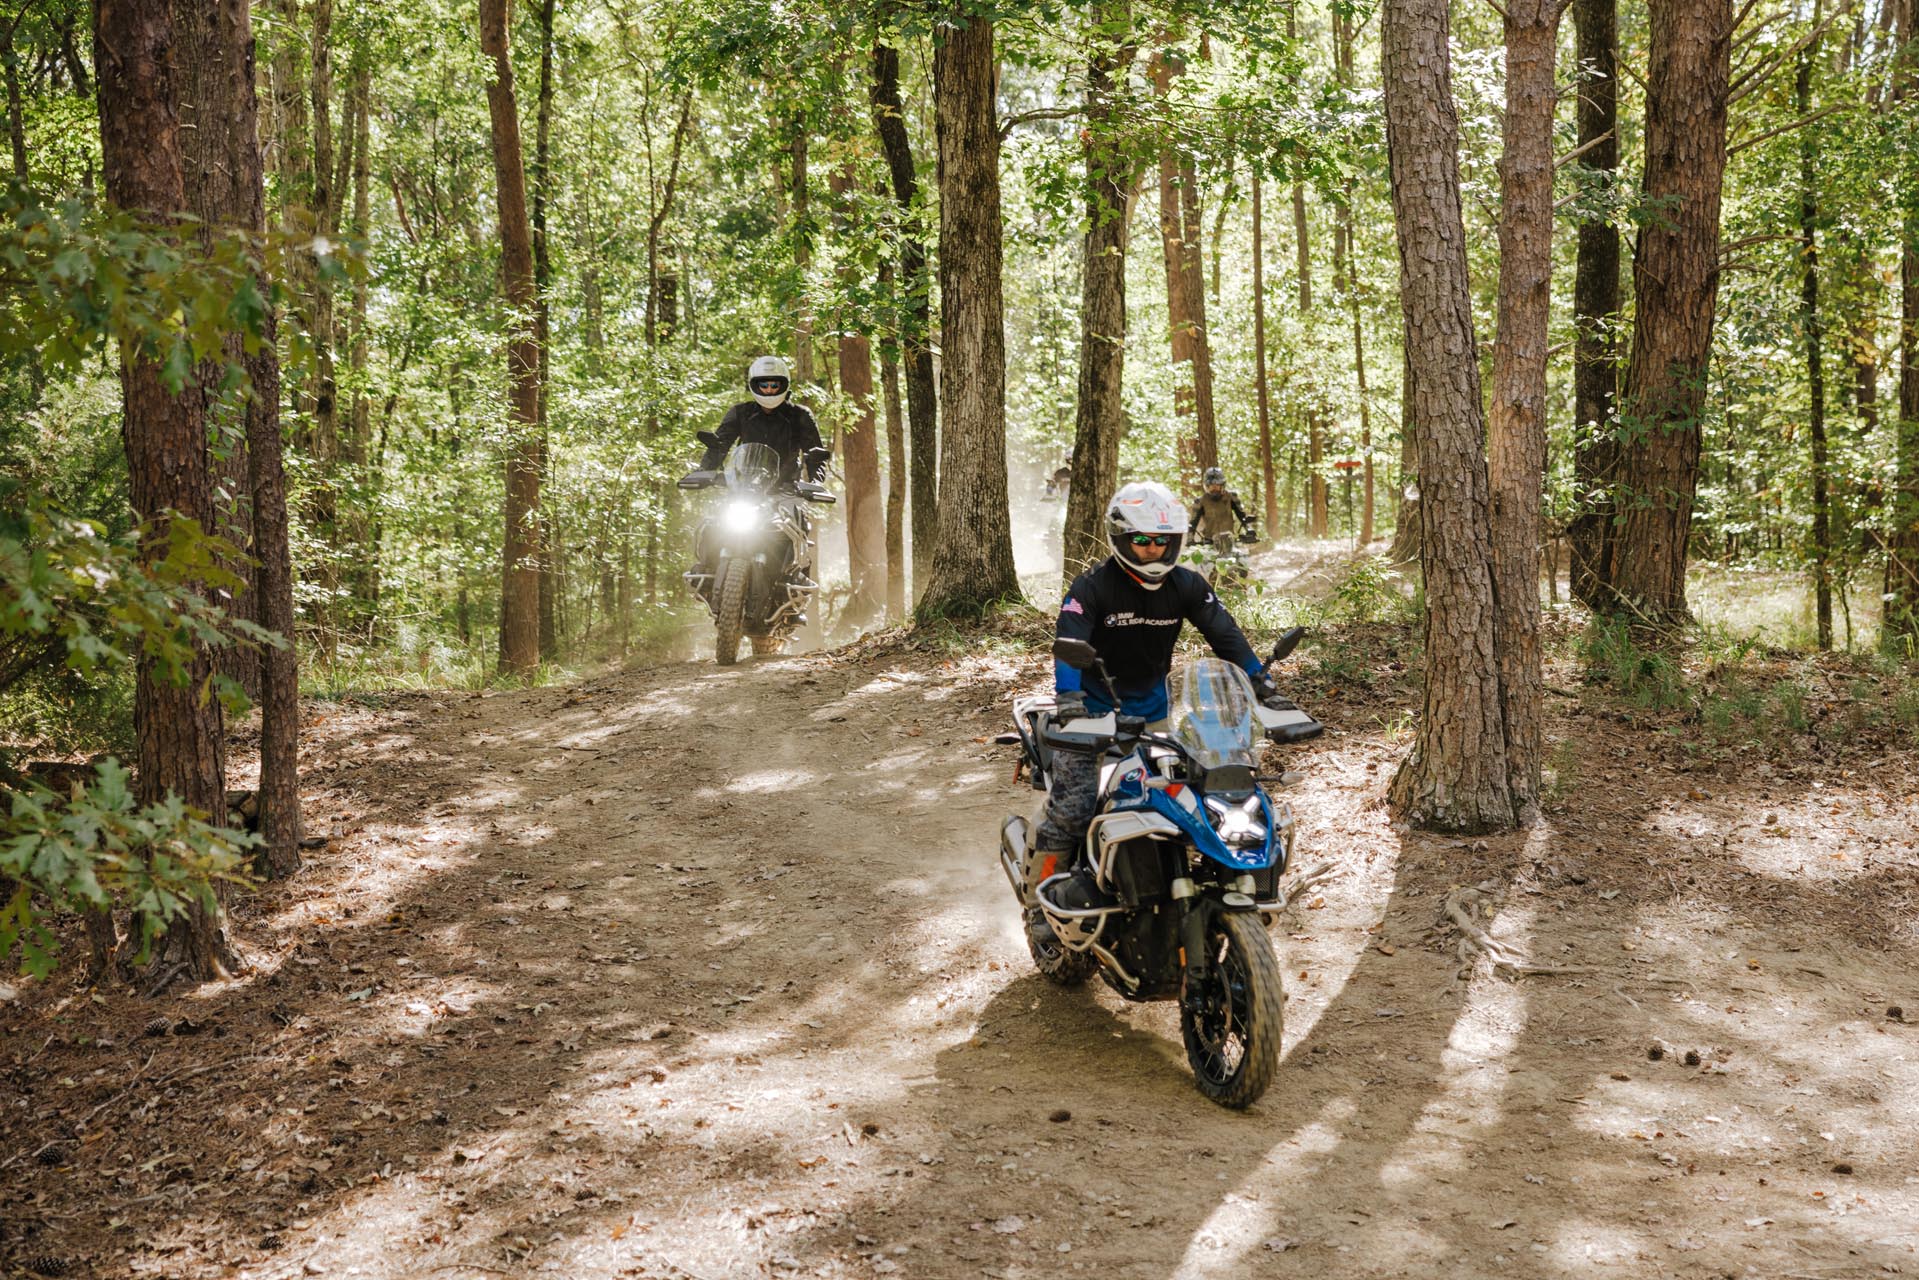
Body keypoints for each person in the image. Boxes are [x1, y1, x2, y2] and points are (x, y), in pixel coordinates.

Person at [1031, 481, 1290, 911]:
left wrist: (1261, 681)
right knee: (1075, 809)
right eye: (1142, 540)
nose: (1153, 549)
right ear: (1121, 538)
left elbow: (1225, 636)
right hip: (1092, 715)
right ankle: (1041, 902)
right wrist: (1069, 700)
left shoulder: (1187, 585)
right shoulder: (1090, 588)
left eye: (1162, 541)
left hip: (1157, 715)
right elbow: (1068, 644)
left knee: (1198, 796)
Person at [699, 355, 828, 485]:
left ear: (783, 385)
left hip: (788, 489)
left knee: (797, 505)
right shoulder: (741, 413)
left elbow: (815, 454)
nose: (769, 390)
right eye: (764, 385)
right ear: (755, 385)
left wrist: (816, 482)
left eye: (774, 385)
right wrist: (703, 471)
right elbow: (720, 444)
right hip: (745, 488)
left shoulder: (799, 415)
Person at [1189, 466, 1253, 543]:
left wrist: (1249, 530)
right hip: (1209, 542)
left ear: (1222, 486)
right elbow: (1193, 523)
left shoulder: (1231, 497)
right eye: (1211, 486)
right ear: (1206, 486)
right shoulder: (1200, 501)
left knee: (1242, 554)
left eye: (1217, 486)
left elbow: (1242, 517)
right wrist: (1190, 538)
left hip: (1230, 541)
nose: (1214, 489)